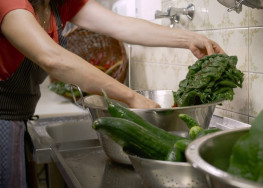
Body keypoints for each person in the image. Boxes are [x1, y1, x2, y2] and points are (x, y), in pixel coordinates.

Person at [0, 0, 225, 187]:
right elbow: (53, 58)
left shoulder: (59, 3)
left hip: (17, 118)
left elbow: (120, 25)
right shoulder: (9, 4)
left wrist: (188, 39)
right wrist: (132, 97)